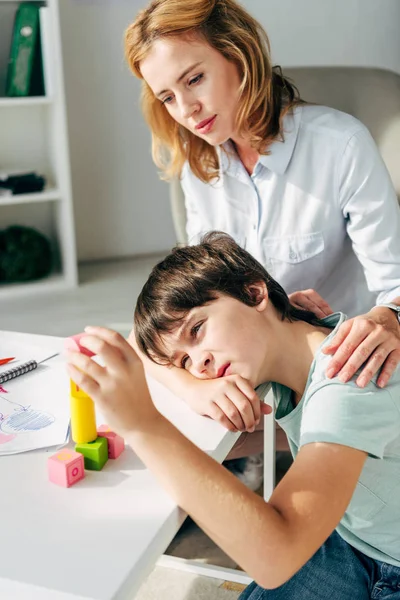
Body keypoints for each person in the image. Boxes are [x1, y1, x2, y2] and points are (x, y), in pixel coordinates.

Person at [123, 0, 400, 481]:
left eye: (194, 80)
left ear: (239, 56)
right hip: (241, 348)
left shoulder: (340, 144)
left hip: (332, 369)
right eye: (167, 96)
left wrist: (387, 317)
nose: (186, 110)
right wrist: (192, 388)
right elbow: (187, 300)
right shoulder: (200, 167)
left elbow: (396, 284)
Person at [66, 233, 400, 599]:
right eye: (185, 362)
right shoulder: (292, 353)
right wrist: (192, 388)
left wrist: (144, 425)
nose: (200, 363)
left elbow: (278, 554)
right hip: (356, 541)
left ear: (255, 294)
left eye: (197, 329)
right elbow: (138, 344)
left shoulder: (347, 377)